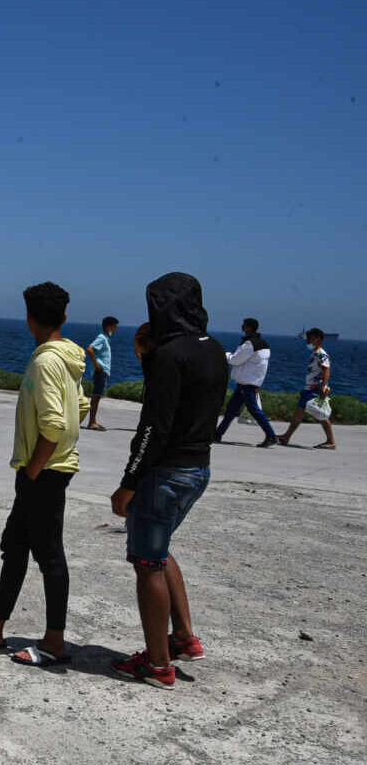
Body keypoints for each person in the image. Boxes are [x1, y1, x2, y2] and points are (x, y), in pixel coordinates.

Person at [0, 283, 89, 667]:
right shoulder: (68, 357)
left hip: (44, 472)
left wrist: (34, 468)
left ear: (30, 317)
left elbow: (54, 423)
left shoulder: (46, 362)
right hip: (46, 469)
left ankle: (54, 642)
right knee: (14, 545)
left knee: (49, 555)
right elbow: (79, 407)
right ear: (64, 317)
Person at [108, 272, 226, 689]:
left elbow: (153, 427)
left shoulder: (168, 355)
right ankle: (183, 638)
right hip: (199, 468)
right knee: (159, 551)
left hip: (165, 473)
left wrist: (129, 481)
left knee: (147, 563)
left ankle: (158, 665)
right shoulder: (214, 350)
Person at [215, 318, 277, 448]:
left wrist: (224, 354)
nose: (242, 327)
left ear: (249, 327)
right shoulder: (264, 344)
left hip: (246, 384)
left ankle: (271, 435)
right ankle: (217, 434)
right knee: (231, 410)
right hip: (251, 383)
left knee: (253, 410)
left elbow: (236, 360)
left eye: (244, 325)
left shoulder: (250, 344)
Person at [277, 328, 336, 450]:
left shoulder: (321, 354)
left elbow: (326, 370)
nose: (308, 341)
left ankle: (331, 441)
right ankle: (286, 436)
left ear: (318, 340)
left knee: (321, 415)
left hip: (315, 389)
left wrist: (324, 387)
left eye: (311, 338)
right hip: (308, 388)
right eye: (308, 338)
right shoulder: (315, 353)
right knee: (298, 414)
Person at [85, 317, 118, 431]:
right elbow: (90, 349)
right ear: (109, 326)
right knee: (96, 395)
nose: (115, 329)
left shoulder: (105, 338)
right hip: (100, 371)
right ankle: (92, 422)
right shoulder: (102, 338)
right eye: (115, 327)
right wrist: (97, 365)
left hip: (102, 371)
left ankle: (93, 421)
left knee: (97, 396)